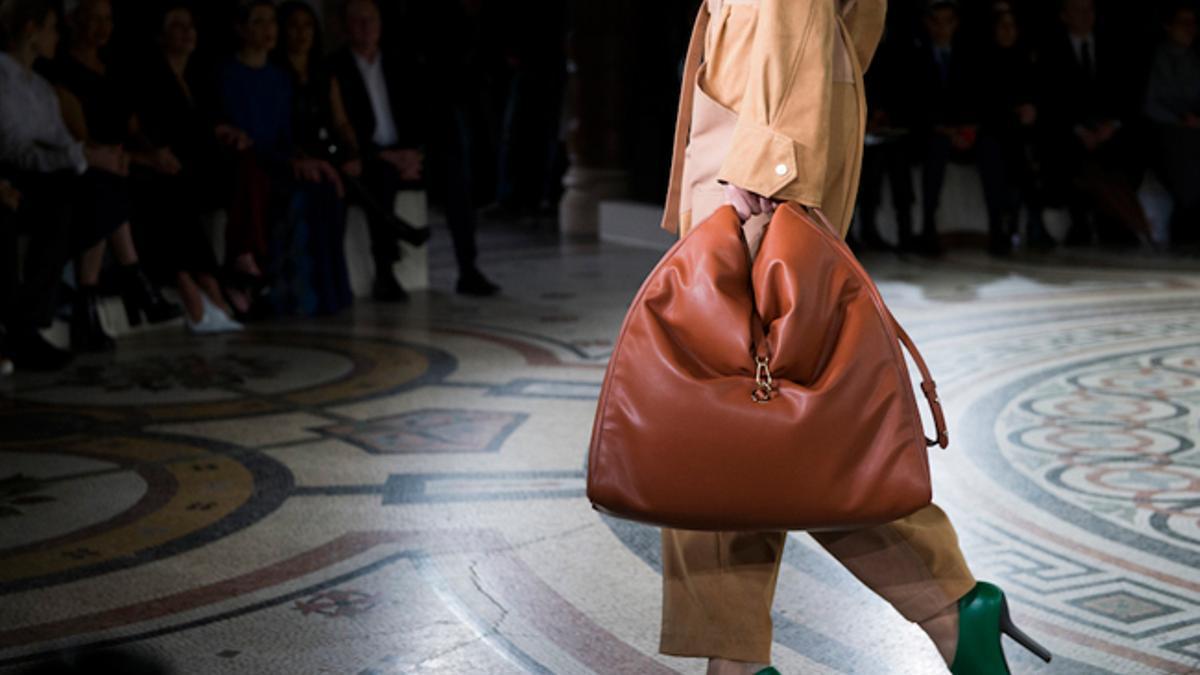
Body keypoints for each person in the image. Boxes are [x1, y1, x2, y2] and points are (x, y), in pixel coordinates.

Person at [657, 1, 1051, 673]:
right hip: (757, 112)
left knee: (732, 421)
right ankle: (749, 656)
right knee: (740, 420)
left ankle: (941, 609)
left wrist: (769, 154)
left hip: (761, 139)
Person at [333, 0, 497, 299]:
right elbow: (339, 126)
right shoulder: (337, 69)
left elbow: (424, 113)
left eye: (371, 19)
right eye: (357, 20)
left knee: (453, 171)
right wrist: (381, 155)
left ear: (381, 25)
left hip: (406, 151)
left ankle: (468, 269)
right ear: (345, 27)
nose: (366, 27)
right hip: (370, 157)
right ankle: (385, 273)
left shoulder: (399, 62)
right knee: (380, 179)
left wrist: (416, 153)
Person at [0, 0, 126, 366]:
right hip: (14, 173)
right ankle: (27, 324)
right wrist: (80, 156)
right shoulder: (3, 79)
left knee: (91, 189)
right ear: (31, 31)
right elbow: (14, 147)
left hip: (43, 176)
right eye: (52, 27)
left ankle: (40, 315)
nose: (57, 36)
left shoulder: (40, 87)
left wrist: (89, 155)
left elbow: (58, 142)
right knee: (63, 194)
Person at [53, 0, 182, 346]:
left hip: (120, 163)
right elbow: (78, 136)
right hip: (80, 162)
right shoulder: (61, 69)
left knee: (120, 185)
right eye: (93, 19)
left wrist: (152, 154)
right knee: (104, 184)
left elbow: (131, 125)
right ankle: (134, 280)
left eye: (107, 19)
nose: (102, 27)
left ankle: (91, 306)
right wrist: (134, 159)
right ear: (72, 20)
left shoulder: (114, 67)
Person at [130, 3, 241, 333]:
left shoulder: (198, 76)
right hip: (157, 166)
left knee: (196, 182)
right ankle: (196, 284)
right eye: (177, 25)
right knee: (170, 189)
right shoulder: (147, 75)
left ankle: (204, 283)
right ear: (160, 35)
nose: (188, 32)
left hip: (194, 167)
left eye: (190, 25)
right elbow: (137, 129)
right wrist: (154, 153)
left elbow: (204, 126)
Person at [1039, 0, 1150, 248]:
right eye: (1077, 10)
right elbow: (1050, 99)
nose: (1085, 15)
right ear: (1064, 15)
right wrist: (1079, 130)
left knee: (1130, 148)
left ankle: (1113, 220)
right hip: (1070, 129)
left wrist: (1112, 126)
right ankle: (1084, 220)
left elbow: (1128, 92)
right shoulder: (1051, 50)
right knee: (1066, 153)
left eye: (1089, 8)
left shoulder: (1113, 45)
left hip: (1109, 128)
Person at [274, 0, 354, 315]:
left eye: (308, 26)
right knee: (320, 194)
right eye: (293, 26)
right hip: (296, 159)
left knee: (342, 187)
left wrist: (352, 152)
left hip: (328, 156)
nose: (301, 33)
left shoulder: (324, 74)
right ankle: (315, 292)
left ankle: (335, 289)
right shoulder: (277, 74)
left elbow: (341, 121)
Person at [216, 0, 294, 317]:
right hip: (240, 162)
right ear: (241, 28)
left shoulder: (279, 78)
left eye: (272, 21)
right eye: (259, 22)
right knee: (252, 176)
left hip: (272, 159)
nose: (269, 30)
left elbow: (284, 135)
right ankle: (246, 266)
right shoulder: (225, 74)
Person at [975, 2, 1054, 255]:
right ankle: (1000, 227)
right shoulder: (984, 61)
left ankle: (1033, 222)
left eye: (1012, 26)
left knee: (1029, 151)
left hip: (1022, 134)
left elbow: (1040, 96)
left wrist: (1031, 111)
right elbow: (983, 104)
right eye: (1003, 26)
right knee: (997, 151)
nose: (1008, 31)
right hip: (995, 131)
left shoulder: (1027, 59)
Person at [906, 0, 979, 257]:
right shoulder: (917, 58)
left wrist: (968, 129)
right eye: (936, 22)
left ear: (955, 24)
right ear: (928, 24)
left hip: (965, 132)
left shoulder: (968, 56)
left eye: (947, 21)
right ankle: (928, 224)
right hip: (933, 133)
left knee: (995, 146)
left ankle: (1004, 223)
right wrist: (946, 131)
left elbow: (977, 98)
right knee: (934, 149)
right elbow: (917, 105)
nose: (942, 28)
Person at [1144, 3, 1200, 247]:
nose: (1189, 29)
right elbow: (1150, 102)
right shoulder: (1157, 59)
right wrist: (1180, 119)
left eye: (1193, 23)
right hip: (1168, 131)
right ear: (1168, 26)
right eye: (1183, 22)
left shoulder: (1195, 58)